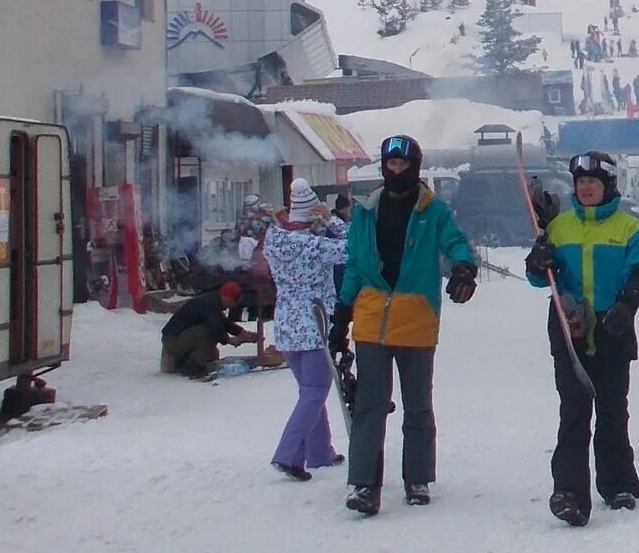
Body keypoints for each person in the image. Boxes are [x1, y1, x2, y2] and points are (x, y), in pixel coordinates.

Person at [331, 135, 480, 516]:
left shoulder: (434, 211)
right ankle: (364, 484)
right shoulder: (366, 211)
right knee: (369, 405)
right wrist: (342, 312)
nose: (396, 171)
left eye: (403, 165)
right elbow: (353, 266)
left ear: (415, 167)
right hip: (371, 321)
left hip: (416, 319)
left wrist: (464, 266)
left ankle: (417, 477)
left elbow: (457, 243)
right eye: (390, 165)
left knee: (417, 405)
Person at [526, 149, 639, 525]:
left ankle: (618, 483)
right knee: (574, 411)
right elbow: (539, 278)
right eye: (581, 183)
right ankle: (568, 491)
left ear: (607, 187)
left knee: (613, 411)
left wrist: (626, 306)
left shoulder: (630, 229)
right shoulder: (558, 227)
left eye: (593, 183)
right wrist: (538, 261)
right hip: (570, 331)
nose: (586, 189)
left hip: (613, 328)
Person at [265, 195, 348, 480]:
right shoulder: (317, 246)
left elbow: (277, 227)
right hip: (315, 325)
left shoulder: (274, 239)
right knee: (314, 392)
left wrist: (281, 221)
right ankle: (287, 455)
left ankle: (320, 452)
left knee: (309, 392)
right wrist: (333, 220)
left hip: (286, 327)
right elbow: (355, 249)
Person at [160, 278, 261, 380]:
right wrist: (229, 340)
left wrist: (242, 333)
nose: (234, 305)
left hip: (179, 338)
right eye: (234, 301)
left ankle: (194, 361)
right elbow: (215, 325)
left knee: (212, 350)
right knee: (206, 332)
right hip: (172, 341)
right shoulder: (210, 303)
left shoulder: (213, 301)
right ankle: (192, 365)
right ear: (228, 297)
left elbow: (222, 321)